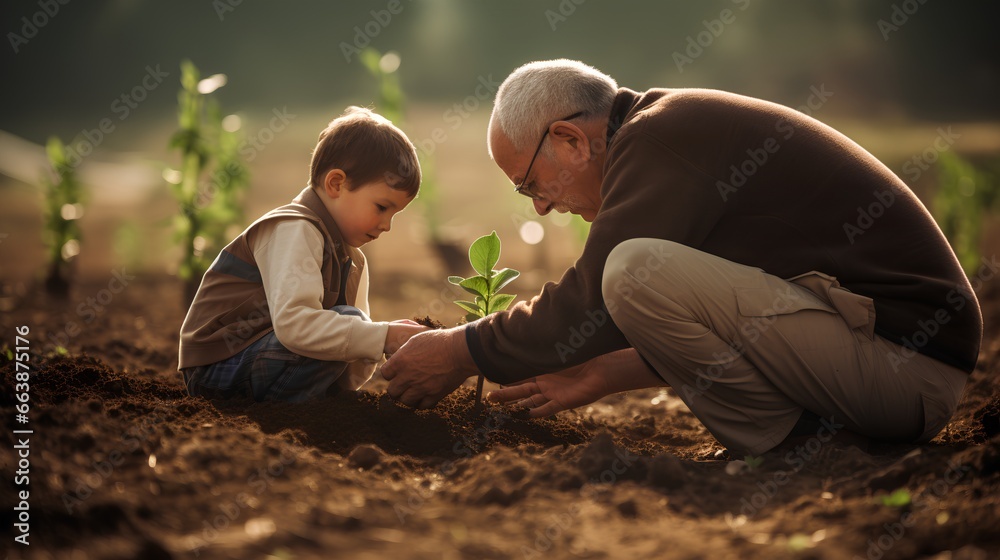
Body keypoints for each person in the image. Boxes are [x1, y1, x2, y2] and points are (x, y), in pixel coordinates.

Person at [381, 60, 983, 456]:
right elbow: (732, 313)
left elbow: (591, 301)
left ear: (569, 140)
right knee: (639, 271)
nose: (537, 207)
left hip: (905, 371)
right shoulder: (667, 131)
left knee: (631, 269)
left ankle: (792, 447)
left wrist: (459, 349)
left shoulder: (660, 138)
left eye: (529, 183)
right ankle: (797, 439)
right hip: (888, 364)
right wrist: (602, 374)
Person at [178, 107, 428, 402]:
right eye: (382, 207)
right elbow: (296, 326)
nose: (387, 225)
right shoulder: (294, 228)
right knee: (349, 319)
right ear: (336, 184)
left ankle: (313, 407)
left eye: (395, 213)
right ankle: (297, 407)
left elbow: (353, 357)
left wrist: (387, 345)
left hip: (260, 357)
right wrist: (383, 336)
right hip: (216, 367)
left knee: (351, 323)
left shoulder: (352, 259)